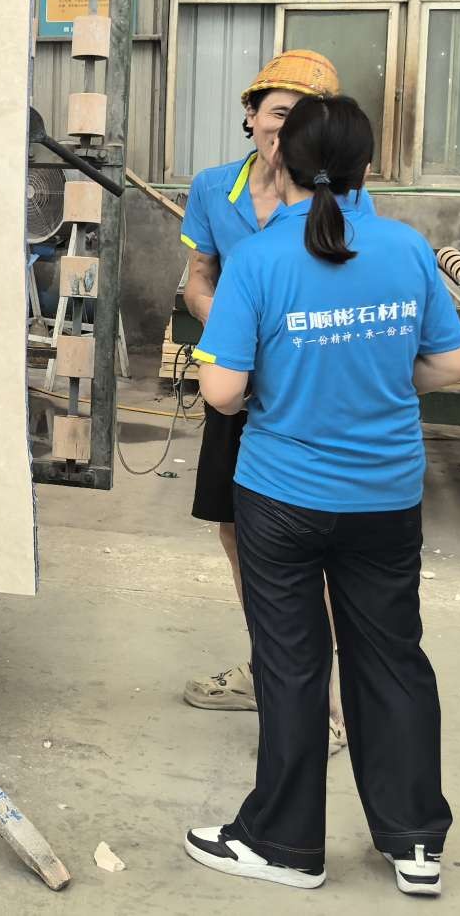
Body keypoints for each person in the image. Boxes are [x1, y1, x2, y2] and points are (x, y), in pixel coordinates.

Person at [182, 95, 460, 896]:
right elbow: (453, 365)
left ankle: (284, 844)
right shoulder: (407, 248)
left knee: (292, 663)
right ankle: (415, 842)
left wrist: (285, 381)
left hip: (282, 495)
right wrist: (378, 381)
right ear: (365, 168)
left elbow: (222, 392)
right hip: (386, 494)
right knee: (392, 657)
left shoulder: (259, 260)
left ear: (282, 159)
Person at [179, 50, 371, 755]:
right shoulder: (213, 189)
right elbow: (198, 280)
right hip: (236, 389)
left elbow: (348, 286)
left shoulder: (344, 198)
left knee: (303, 540)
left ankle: (326, 697)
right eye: (277, 112)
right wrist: (230, 329)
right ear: (252, 114)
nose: (284, 130)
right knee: (237, 534)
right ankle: (273, 667)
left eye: (302, 118)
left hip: (303, 391)